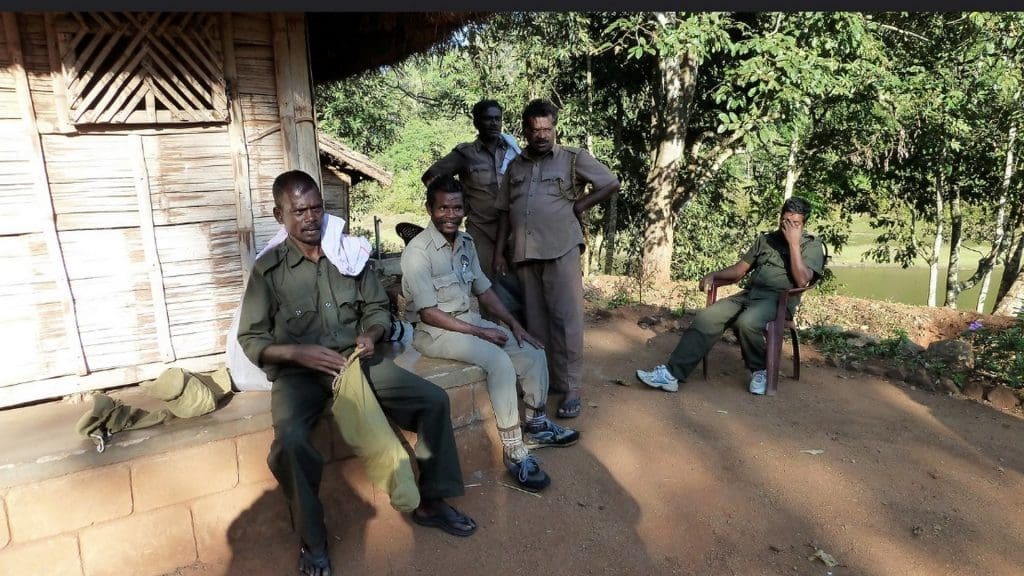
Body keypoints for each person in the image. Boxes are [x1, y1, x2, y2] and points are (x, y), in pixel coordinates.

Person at [237, 170, 476, 576]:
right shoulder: (269, 270)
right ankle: (313, 543)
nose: (312, 218)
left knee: (433, 401)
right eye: (300, 211)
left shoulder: (347, 252)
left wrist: (372, 333)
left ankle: (432, 502)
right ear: (281, 215)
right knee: (292, 443)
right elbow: (252, 339)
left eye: (317, 208)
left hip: (356, 362)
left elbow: (377, 308)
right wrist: (299, 352)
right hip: (300, 376)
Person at [401, 176, 580, 493]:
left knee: (531, 350)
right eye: (442, 208)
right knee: (498, 361)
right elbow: (428, 312)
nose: (450, 214)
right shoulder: (418, 252)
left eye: (457, 207)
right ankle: (514, 450)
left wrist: (514, 324)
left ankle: (537, 425)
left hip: (467, 322)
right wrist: (480, 331)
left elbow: (484, 291)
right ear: (430, 209)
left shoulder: (466, 242)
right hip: (434, 332)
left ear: (464, 209)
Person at [494, 98, 620, 419]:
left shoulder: (572, 158)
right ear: (525, 130)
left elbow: (610, 182)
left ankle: (572, 387)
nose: (541, 135)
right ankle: (546, 381)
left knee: (567, 320)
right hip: (525, 253)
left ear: (554, 128)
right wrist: (499, 253)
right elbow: (505, 211)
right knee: (536, 322)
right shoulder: (516, 166)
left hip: (562, 248)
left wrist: (580, 206)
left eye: (547, 129)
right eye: (535, 130)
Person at [635, 196, 826, 395]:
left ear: (804, 224)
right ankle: (671, 375)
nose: (789, 227)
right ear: (780, 218)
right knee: (707, 317)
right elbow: (739, 271)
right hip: (750, 294)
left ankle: (761, 370)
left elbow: (803, 281)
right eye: (786, 221)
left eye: (795, 223)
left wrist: (794, 244)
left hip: (778, 301)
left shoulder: (810, 245)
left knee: (747, 322)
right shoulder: (766, 240)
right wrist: (714, 275)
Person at [421, 99, 520, 283]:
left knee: (520, 285)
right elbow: (430, 176)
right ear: (476, 122)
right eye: (488, 119)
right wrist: (454, 205)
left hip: (513, 228)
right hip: (482, 228)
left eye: (497, 119)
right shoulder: (466, 154)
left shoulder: (513, 151)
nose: (493, 123)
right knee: (486, 283)